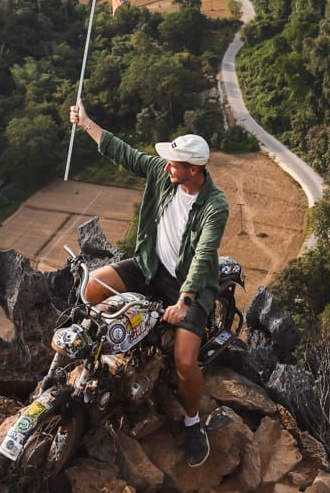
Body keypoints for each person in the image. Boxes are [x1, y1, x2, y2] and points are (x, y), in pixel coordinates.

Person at [69, 99, 229, 466]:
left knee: (185, 362)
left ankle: (192, 423)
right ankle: (103, 357)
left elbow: (204, 253)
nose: (166, 166)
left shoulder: (214, 205)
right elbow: (125, 154)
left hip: (189, 286)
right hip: (149, 265)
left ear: (192, 170)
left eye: (174, 163)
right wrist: (87, 123)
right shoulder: (163, 173)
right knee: (92, 287)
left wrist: (185, 299)